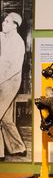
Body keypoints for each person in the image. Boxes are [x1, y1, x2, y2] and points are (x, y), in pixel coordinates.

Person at [0, 12, 27, 160]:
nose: (3, 24)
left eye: (7, 22)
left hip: (10, 82)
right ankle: (18, 148)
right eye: (4, 21)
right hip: (2, 80)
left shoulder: (18, 43)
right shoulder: (4, 37)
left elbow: (14, 68)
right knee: (5, 117)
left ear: (15, 25)